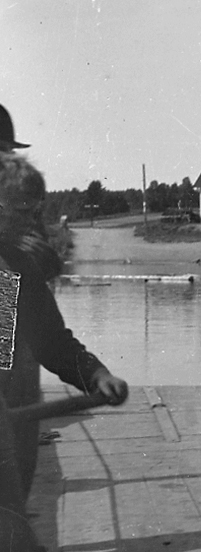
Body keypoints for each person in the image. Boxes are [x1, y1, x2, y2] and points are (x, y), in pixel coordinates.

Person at [0, 149, 129, 500]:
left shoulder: (16, 267)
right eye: (21, 210)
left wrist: (97, 376)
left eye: (35, 210)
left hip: (10, 432)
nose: (32, 223)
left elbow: (52, 342)